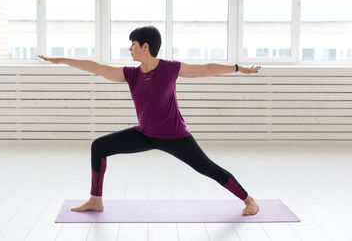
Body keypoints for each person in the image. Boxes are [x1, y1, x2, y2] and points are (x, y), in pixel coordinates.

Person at [38, 25, 261, 216]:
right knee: (99, 146)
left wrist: (240, 69)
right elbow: (95, 67)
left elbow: (208, 69)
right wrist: (59, 60)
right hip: (144, 134)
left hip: (175, 136)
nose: (129, 49)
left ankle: (249, 199)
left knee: (207, 168)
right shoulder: (130, 74)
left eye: (132, 44)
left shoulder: (170, 69)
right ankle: (95, 200)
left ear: (145, 47)